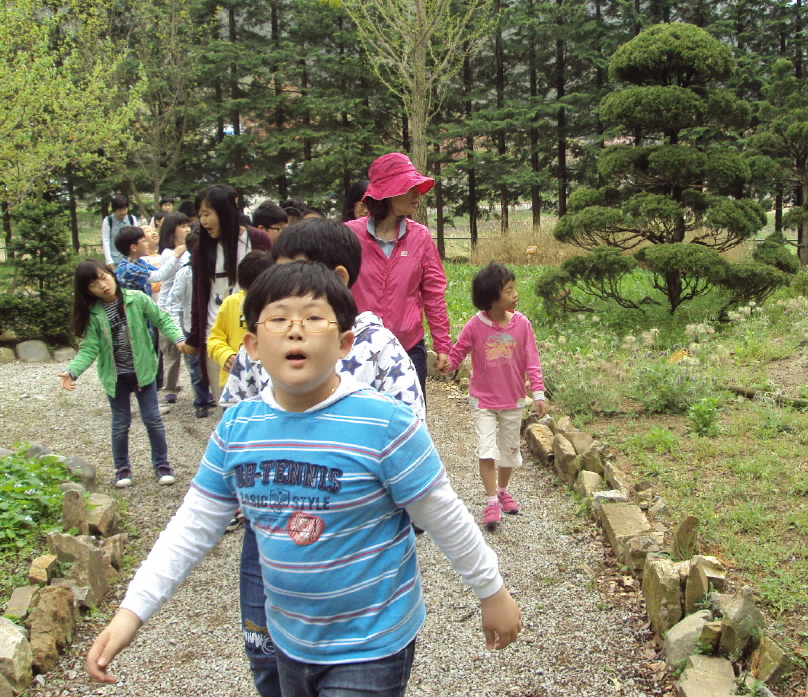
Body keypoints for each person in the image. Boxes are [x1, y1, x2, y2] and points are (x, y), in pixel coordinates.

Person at [85, 261, 521, 694]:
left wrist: (491, 589)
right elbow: (192, 526)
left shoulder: (386, 425)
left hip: (372, 641)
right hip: (290, 640)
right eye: (278, 319)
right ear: (252, 346)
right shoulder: (237, 430)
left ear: (345, 342)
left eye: (314, 318)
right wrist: (132, 611)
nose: (296, 330)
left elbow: (443, 514)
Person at [220, 218, 426, 697]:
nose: (282, 291)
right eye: (276, 275)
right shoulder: (264, 347)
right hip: (269, 529)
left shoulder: (376, 348)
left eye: (297, 276)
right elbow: (234, 419)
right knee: (264, 644)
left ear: (338, 277)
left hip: (353, 537)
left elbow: (413, 440)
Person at [440, 262, 547, 531]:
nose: (515, 295)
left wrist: (538, 393)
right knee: (487, 450)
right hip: (483, 401)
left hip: (513, 400)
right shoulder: (475, 326)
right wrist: (446, 365)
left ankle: (502, 490)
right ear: (491, 298)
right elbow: (458, 353)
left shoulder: (522, 325)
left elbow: (532, 361)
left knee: (509, 452)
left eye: (514, 289)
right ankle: (490, 501)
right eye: (509, 291)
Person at [60, 260, 185, 488]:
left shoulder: (136, 299)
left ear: (112, 274)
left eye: (103, 277)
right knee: (120, 423)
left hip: (143, 372)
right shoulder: (94, 314)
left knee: (153, 420)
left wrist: (178, 338)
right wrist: (72, 371)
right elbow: (89, 348)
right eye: (93, 285)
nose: (102, 285)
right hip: (115, 377)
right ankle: (122, 469)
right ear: (88, 291)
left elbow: (162, 318)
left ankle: (162, 465)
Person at [346, 152, 452, 396]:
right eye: (410, 187)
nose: (418, 194)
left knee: (410, 424)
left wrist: (442, 344)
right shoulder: (349, 237)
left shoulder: (420, 237)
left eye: (418, 187)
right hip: (357, 350)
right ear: (388, 193)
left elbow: (434, 293)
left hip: (409, 348)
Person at [183, 185, 271, 413]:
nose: (203, 221)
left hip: (261, 338)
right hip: (220, 341)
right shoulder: (202, 249)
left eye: (207, 213)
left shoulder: (257, 239)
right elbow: (199, 297)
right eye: (200, 215)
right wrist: (194, 339)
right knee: (229, 412)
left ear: (226, 210)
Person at [207, 250, 273, 389]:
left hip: (271, 383)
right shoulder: (231, 303)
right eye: (249, 291)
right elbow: (214, 339)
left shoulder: (278, 306)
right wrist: (224, 355)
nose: (253, 298)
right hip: (236, 383)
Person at [165, 228, 214, 415]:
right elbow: (174, 304)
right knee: (195, 367)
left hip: (213, 325)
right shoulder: (185, 274)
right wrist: (178, 334)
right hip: (190, 327)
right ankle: (201, 400)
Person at [155, 213, 192, 403]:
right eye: (182, 226)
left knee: (191, 349)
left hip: (187, 309)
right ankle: (169, 388)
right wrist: (177, 256)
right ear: (171, 231)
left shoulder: (190, 251)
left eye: (187, 225)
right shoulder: (169, 254)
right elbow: (165, 274)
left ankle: (198, 387)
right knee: (171, 351)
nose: (186, 229)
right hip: (168, 309)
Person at [114, 225, 186, 298]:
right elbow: (159, 275)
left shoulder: (139, 262)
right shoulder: (128, 269)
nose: (147, 244)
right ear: (133, 247)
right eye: (144, 241)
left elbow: (160, 272)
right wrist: (175, 255)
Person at [101, 195, 139, 271]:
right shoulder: (108, 221)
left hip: (130, 259)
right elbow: (105, 240)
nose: (122, 212)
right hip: (115, 260)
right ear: (114, 210)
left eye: (124, 209)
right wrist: (108, 259)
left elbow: (137, 238)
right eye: (119, 210)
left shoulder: (132, 219)